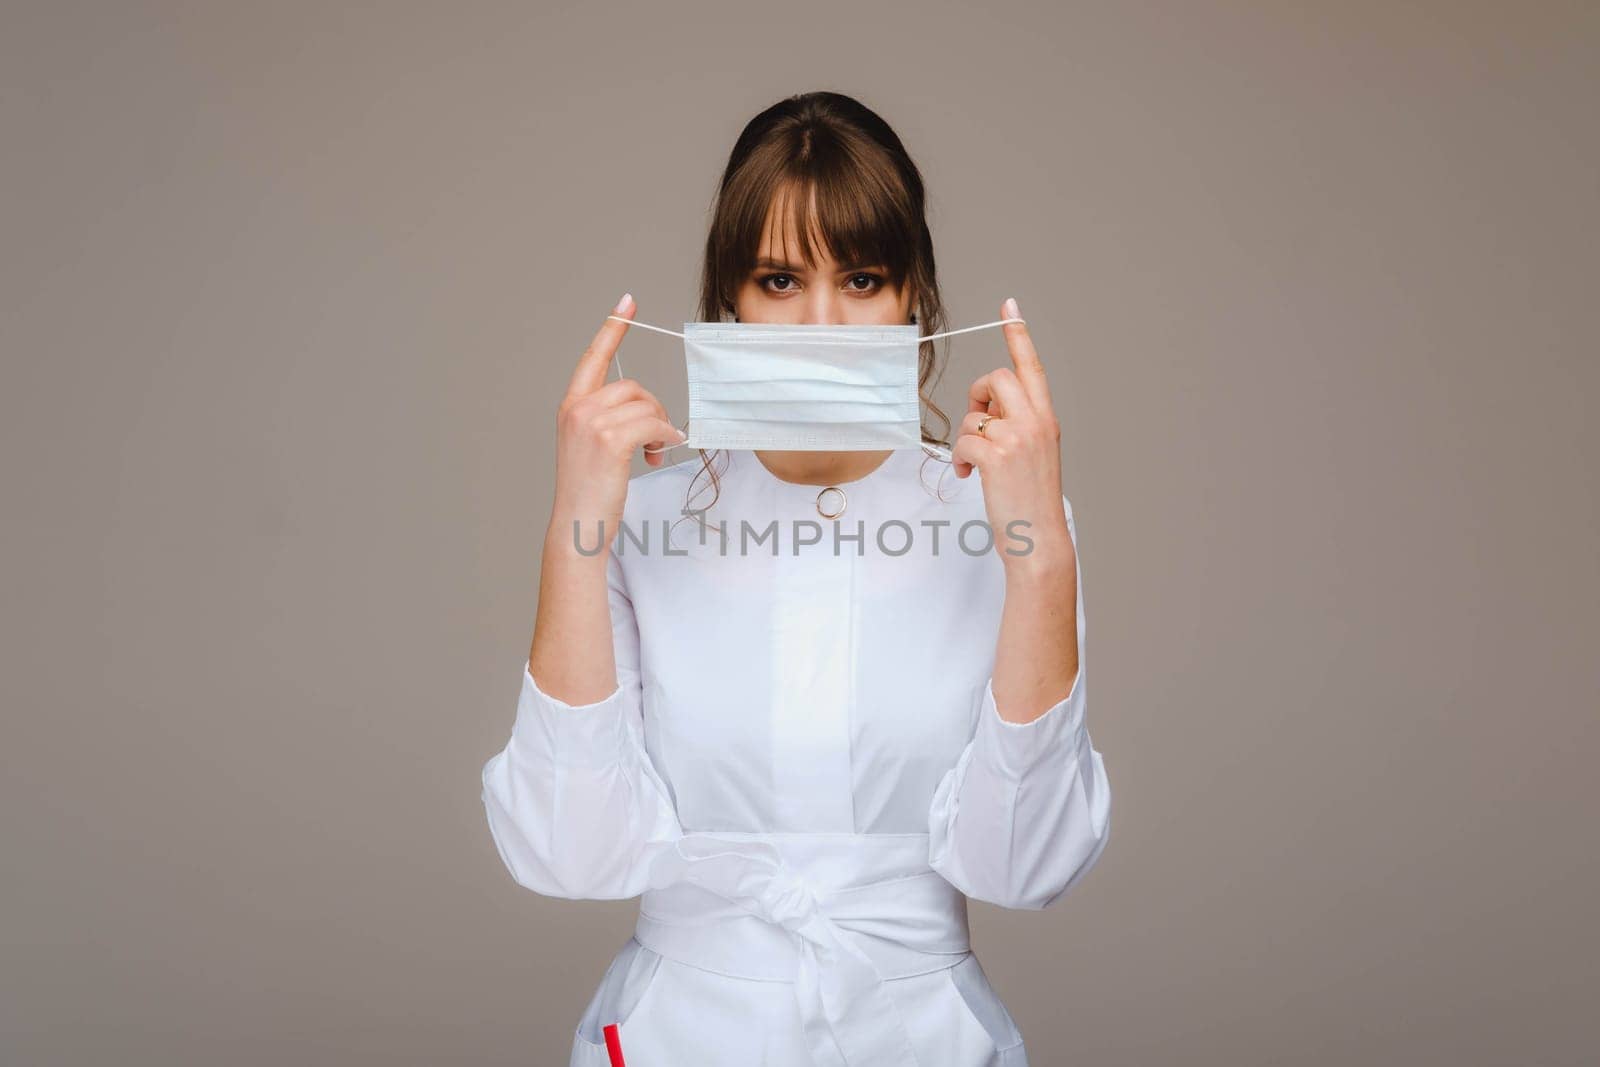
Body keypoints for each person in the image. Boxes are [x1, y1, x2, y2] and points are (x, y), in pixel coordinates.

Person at [480, 91, 1112, 1067]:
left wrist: (1038, 553)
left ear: (916, 301)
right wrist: (577, 528)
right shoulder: (637, 519)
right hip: (678, 1035)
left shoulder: (999, 516)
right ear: (727, 299)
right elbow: (571, 853)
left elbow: (1024, 867)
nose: (822, 325)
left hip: (921, 1036)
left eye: (861, 278)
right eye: (779, 280)